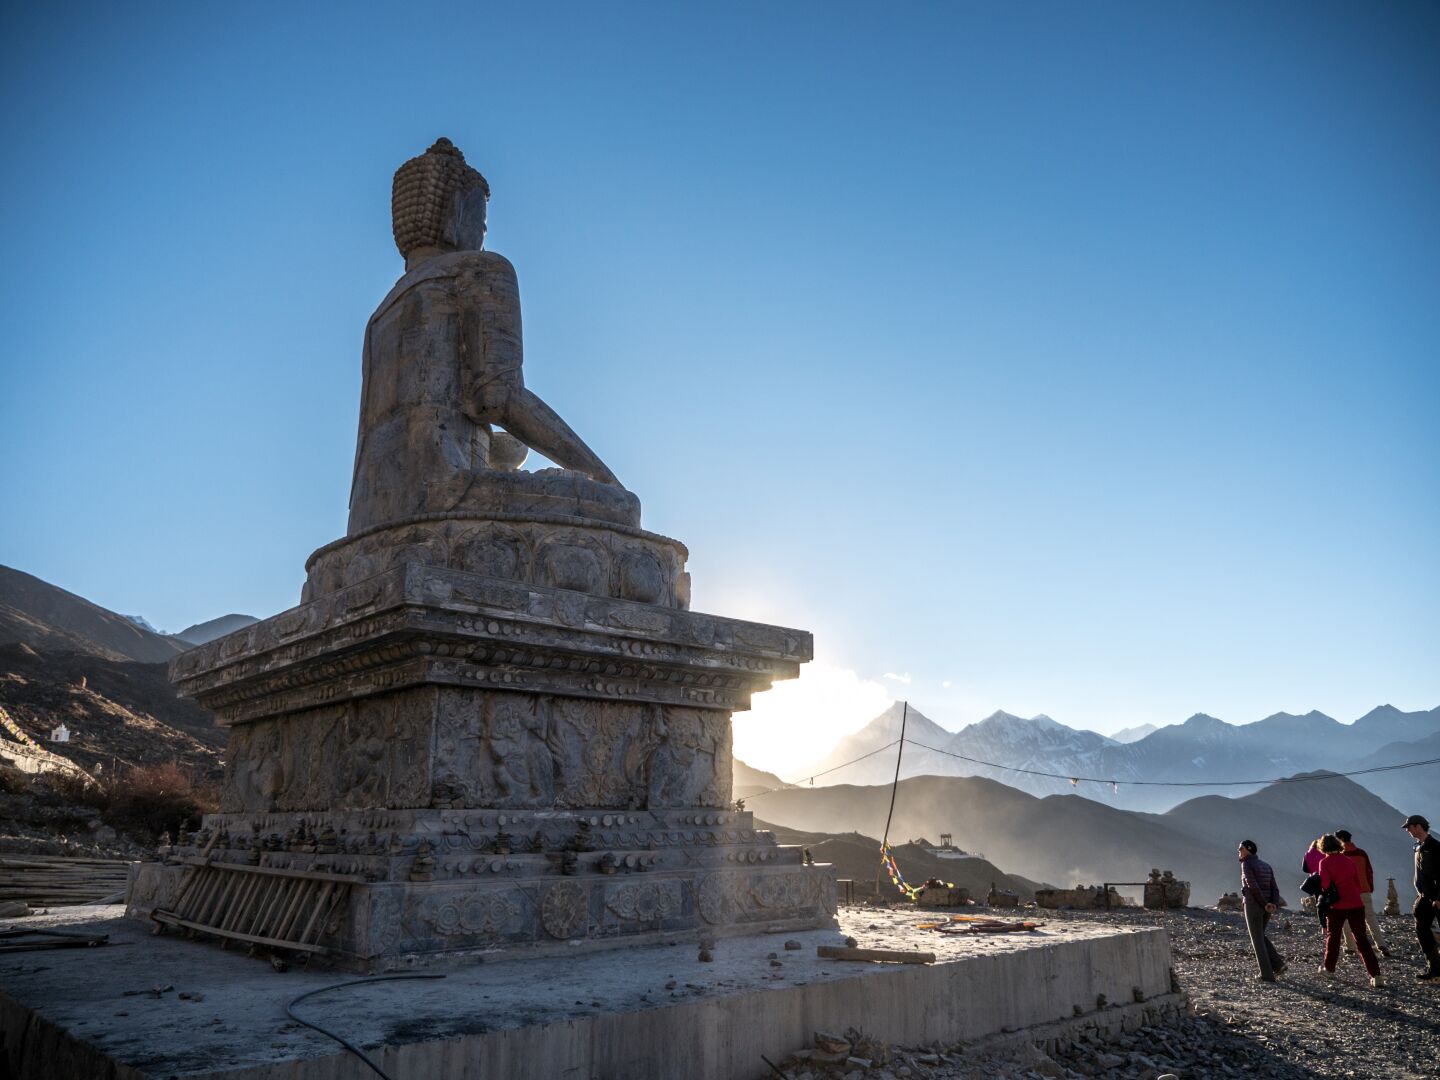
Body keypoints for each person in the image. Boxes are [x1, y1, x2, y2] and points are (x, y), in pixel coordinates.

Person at [1316, 833, 1384, 986]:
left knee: (1333, 937)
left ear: (1323, 847)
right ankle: (1376, 975)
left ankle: (1329, 969)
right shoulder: (1348, 861)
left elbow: (1325, 885)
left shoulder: (1324, 863)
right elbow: (1357, 884)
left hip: (1337, 906)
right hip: (1356, 903)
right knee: (1361, 939)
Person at [1335, 829, 1389, 957]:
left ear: (1340, 839)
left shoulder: (1339, 856)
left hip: (1346, 893)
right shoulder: (1361, 853)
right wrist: (1369, 887)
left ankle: (1350, 947)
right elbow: (1369, 871)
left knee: (1346, 920)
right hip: (1364, 891)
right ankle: (1381, 945)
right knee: (1370, 918)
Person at [1237, 840, 1285, 981]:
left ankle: (1266, 974)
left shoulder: (1247, 864)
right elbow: (1274, 888)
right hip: (1267, 906)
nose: (1238, 851)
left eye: (1241, 848)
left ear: (1249, 849)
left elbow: (1252, 886)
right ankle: (1278, 965)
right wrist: (1273, 904)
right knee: (1260, 935)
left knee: (1256, 939)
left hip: (1254, 905)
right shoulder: (1266, 866)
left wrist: (1265, 904)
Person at [1401, 814, 1440, 980]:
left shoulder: (1435, 847)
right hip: (1424, 896)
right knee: (1422, 931)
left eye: (1409, 827)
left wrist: (1439, 897)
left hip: (1437, 897)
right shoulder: (1419, 847)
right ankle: (1435, 968)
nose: (1408, 830)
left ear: (1418, 826)